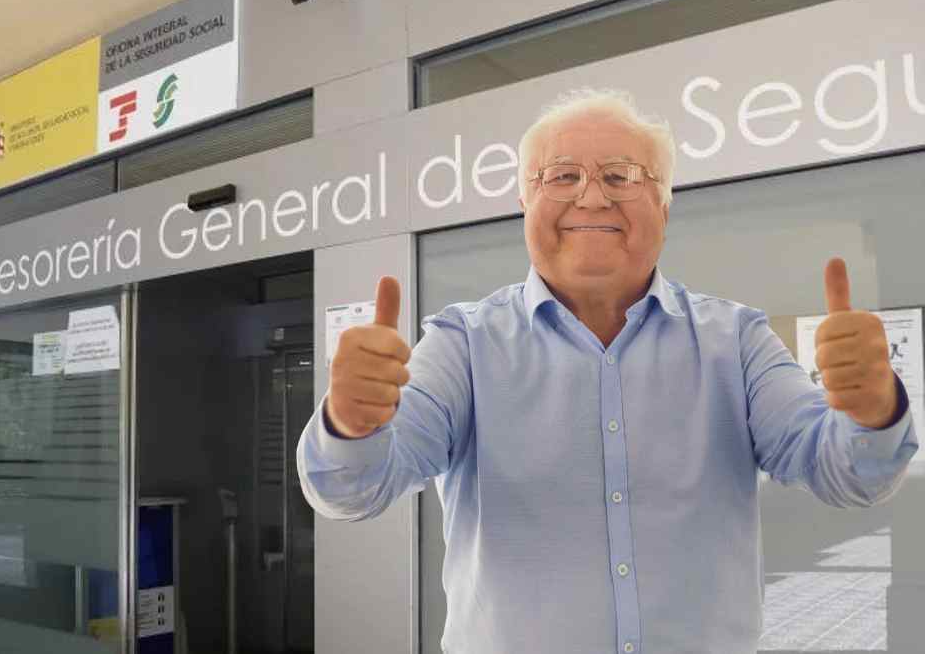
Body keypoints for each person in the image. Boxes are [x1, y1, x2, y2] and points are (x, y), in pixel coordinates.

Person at [296, 88, 918, 654]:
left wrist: (871, 412)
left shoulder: (738, 341)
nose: (592, 196)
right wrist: (350, 424)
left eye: (621, 176)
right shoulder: (462, 344)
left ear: (664, 204)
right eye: (561, 175)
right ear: (524, 202)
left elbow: (846, 476)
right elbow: (355, 491)